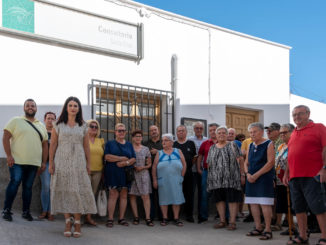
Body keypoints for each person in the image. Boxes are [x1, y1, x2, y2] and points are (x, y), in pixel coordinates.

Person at [49, 96, 97, 238]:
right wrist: (51, 163)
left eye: (75, 105)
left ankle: (77, 222)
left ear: (79, 109)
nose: (73, 108)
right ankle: (67, 222)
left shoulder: (83, 126)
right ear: (66, 107)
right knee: (65, 189)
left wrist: (88, 164)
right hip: (62, 160)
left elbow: (86, 146)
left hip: (78, 160)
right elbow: (52, 145)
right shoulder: (57, 124)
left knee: (77, 190)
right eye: (70, 105)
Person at [283, 105, 326, 245]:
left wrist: (324, 168)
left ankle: (324, 236)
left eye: (299, 114)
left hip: (313, 175)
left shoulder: (319, 127)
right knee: (299, 208)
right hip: (295, 177)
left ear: (308, 114)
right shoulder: (294, 132)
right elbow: (290, 154)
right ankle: (302, 236)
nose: (296, 117)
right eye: (294, 115)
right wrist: (286, 174)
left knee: (318, 207)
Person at [2, 98, 48, 222]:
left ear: (36, 108)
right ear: (24, 108)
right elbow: (6, 137)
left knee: (28, 187)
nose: (30, 107)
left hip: (33, 163)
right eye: (28, 105)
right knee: (15, 182)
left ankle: (26, 212)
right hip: (16, 161)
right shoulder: (16, 121)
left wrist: (43, 162)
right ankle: (6, 210)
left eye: (33, 105)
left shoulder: (41, 125)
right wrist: (9, 155)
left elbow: (45, 145)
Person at [207, 126, 245, 230]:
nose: (221, 134)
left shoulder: (233, 145)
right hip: (217, 180)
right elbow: (209, 163)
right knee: (219, 200)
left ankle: (232, 222)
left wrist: (242, 174)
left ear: (227, 134)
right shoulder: (212, 148)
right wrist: (211, 178)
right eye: (219, 133)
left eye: (224, 133)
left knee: (232, 200)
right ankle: (222, 221)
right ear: (216, 135)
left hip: (232, 179)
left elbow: (241, 159)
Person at [244, 122, 275, 241]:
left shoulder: (268, 144)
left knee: (264, 204)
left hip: (263, 178)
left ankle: (268, 229)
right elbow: (246, 162)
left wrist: (256, 175)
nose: (252, 134)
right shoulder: (251, 145)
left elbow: (270, 162)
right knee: (253, 203)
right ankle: (258, 227)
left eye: (255, 132)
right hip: (251, 178)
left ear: (261, 132)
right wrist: (247, 174)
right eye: (250, 132)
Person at [104, 123, 136, 228]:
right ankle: (110, 219)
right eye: (119, 130)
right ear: (115, 132)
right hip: (112, 172)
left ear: (126, 132)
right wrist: (121, 158)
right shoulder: (110, 143)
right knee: (113, 195)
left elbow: (133, 159)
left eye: (123, 130)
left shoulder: (129, 144)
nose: (121, 132)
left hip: (125, 173)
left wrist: (125, 163)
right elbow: (107, 157)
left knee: (123, 195)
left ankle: (121, 218)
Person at [152, 134, 186, 227]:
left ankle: (176, 218)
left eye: (166, 140)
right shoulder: (159, 153)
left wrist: (181, 177)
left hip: (176, 179)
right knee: (163, 198)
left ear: (171, 142)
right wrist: (154, 180)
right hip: (163, 179)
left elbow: (184, 164)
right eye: (163, 140)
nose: (163, 142)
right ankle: (165, 218)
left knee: (176, 198)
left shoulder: (178, 151)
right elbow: (154, 167)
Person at [272, 124, 296, 233]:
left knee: (290, 203)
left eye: (285, 132)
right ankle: (280, 224)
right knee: (281, 202)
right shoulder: (281, 146)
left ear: (292, 132)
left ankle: (293, 227)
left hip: (291, 178)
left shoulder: (294, 144)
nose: (282, 135)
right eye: (281, 132)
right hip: (279, 178)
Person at [129, 130, 153, 226]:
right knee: (132, 195)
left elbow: (149, 163)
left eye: (140, 136)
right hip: (132, 174)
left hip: (144, 174)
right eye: (136, 136)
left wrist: (142, 167)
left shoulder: (146, 149)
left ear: (142, 138)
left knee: (145, 196)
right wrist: (134, 167)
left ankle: (148, 218)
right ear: (133, 138)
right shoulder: (129, 148)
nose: (138, 138)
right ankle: (136, 217)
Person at [173, 125, 197, 223]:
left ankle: (189, 215)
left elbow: (195, 157)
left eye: (183, 131)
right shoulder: (174, 144)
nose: (181, 132)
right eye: (179, 131)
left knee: (189, 194)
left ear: (186, 132)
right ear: (176, 133)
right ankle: (175, 215)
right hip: (176, 174)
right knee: (176, 194)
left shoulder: (191, 143)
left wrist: (189, 166)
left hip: (188, 173)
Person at [197, 123, 219, 223]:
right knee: (205, 194)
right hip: (207, 171)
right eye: (210, 130)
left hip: (221, 173)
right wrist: (199, 169)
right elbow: (200, 157)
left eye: (214, 130)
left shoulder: (223, 143)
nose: (212, 132)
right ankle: (203, 216)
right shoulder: (205, 143)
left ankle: (224, 216)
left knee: (221, 194)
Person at [85, 119, 105, 226]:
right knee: (85, 193)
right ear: (87, 128)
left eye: (96, 127)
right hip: (85, 170)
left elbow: (103, 156)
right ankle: (77, 217)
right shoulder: (83, 139)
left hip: (98, 171)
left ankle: (88, 217)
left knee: (92, 194)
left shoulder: (100, 141)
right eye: (91, 126)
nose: (93, 128)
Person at [38, 112, 56, 221]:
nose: (50, 120)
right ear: (44, 120)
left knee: (53, 188)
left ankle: (51, 211)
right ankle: (44, 210)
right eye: (48, 118)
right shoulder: (41, 132)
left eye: (52, 119)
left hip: (55, 164)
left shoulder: (57, 133)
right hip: (44, 163)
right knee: (45, 186)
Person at [189, 122, 207, 222]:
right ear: (194, 129)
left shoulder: (207, 140)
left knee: (202, 193)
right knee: (191, 193)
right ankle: (190, 215)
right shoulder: (189, 140)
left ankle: (201, 215)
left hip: (203, 170)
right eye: (197, 128)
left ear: (203, 129)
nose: (199, 130)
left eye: (200, 128)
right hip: (192, 170)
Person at [144, 125, 163, 221]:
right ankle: (151, 216)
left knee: (161, 194)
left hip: (162, 173)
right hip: (148, 172)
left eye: (155, 130)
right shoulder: (145, 143)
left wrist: (158, 152)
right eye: (151, 130)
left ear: (158, 131)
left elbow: (169, 152)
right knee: (150, 195)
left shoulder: (164, 142)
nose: (153, 132)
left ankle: (162, 216)